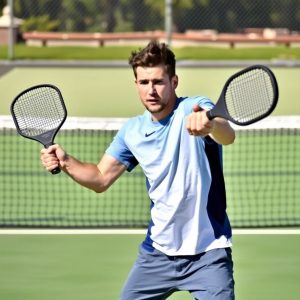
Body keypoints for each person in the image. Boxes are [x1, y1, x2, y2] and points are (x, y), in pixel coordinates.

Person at [41, 40, 235, 299]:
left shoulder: (194, 108)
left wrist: (210, 125)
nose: (151, 90)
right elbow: (100, 178)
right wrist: (65, 161)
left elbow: (227, 133)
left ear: (174, 82)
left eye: (158, 82)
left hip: (209, 253)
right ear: (136, 85)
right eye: (144, 83)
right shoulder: (132, 131)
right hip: (157, 254)